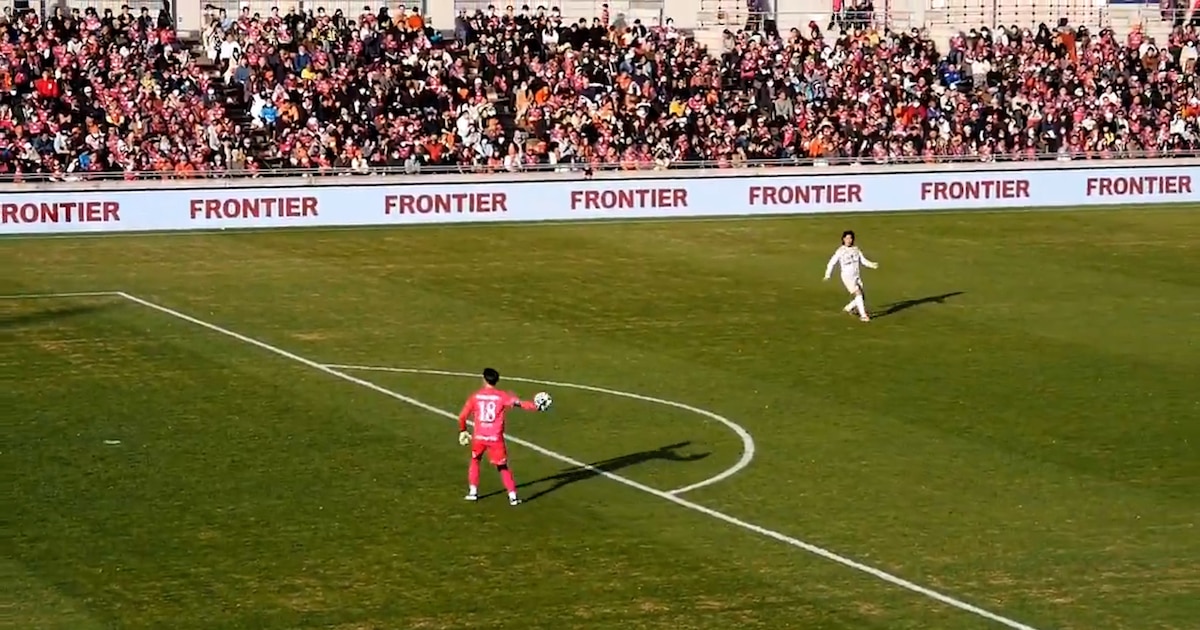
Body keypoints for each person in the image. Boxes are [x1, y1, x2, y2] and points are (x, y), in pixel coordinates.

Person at [457, 367, 541, 505]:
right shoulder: (502, 396)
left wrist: (463, 430)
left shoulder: (476, 396)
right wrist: (535, 406)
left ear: (484, 379)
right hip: (496, 438)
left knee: (475, 460)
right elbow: (519, 403)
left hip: (479, 437)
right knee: (502, 467)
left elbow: (462, 416)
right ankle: (513, 497)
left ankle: (473, 492)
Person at [823, 230, 879, 322]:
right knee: (858, 293)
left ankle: (848, 308)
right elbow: (832, 262)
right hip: (847, 276)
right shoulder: (840, 251)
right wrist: (828, 274)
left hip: (856, 276)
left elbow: (863, 261)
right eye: (847, 238)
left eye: (850, 238)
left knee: (861, 297)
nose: (849, 240)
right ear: (843, 239)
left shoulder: (856, 249)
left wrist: (872, 265)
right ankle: (863, 316)